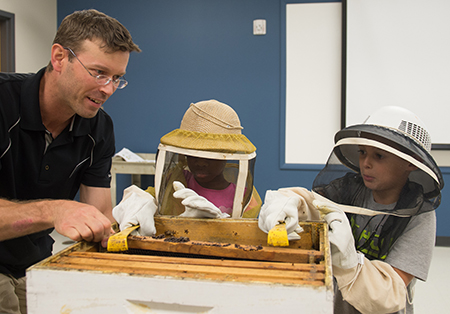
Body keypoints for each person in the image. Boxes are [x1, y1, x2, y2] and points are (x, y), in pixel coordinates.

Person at [0, 9, 140, 314]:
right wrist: (55, 209)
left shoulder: (100, 129)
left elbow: (99, 213)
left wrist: (131, 228)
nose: (108, 89)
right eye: (98, 72)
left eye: (117, 78)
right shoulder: (3, 104)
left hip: (34, 260)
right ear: (59, 57)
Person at [258, 106, 443, 313]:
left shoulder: (419, 216)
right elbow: (312, 203)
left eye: (379, 156)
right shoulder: (347, 190)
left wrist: (350, 262)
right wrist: (288, 202)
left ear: (411, 163)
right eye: (363, 152)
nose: (365, 163)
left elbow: (391, 290)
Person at [113, 99, 262, 236]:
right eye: (194, 152)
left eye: (210, 154)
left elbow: (245, 235)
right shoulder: (176, 181)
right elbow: (154, 196)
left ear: (227, 154)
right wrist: (139, 201)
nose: (201, 162)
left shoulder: (243, 197)